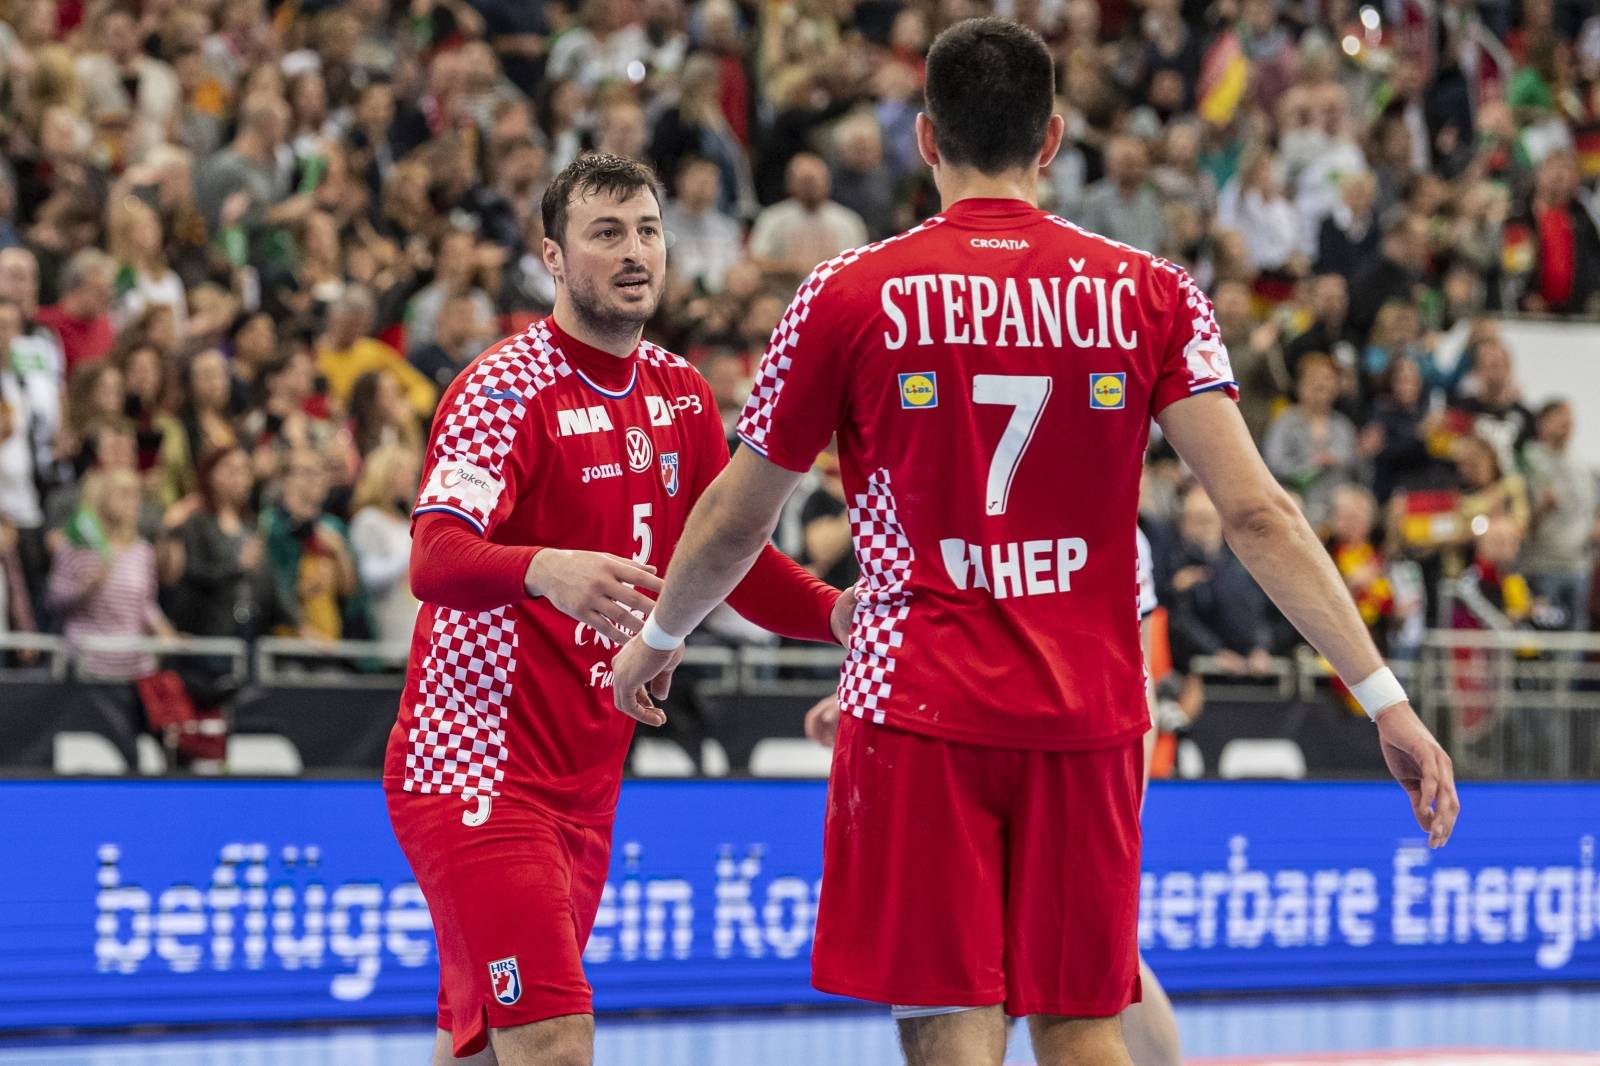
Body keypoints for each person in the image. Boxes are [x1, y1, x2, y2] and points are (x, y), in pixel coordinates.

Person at [609, 20, 1456, 1066]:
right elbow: (1261, 515)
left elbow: (741, 515)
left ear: (925, 139)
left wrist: (656, 634)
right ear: (1052, 139)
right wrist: (1386, 699)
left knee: (947, 1015)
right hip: (1090, 708)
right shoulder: (1152, 292)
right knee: (1079, 1017)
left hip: (918, 701)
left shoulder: (844, 293)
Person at [385, 153, 853, 1066]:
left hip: (585, 780)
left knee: (479, 1048)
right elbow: (435, 558)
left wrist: (836, 614)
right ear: (554, 259)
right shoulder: (504, 386)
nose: (634, 252)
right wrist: (544, 569)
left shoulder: (679, 392)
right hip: (476, 772)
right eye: (606, 234)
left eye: (646, 230)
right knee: (555, 1040)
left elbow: (726, 563)